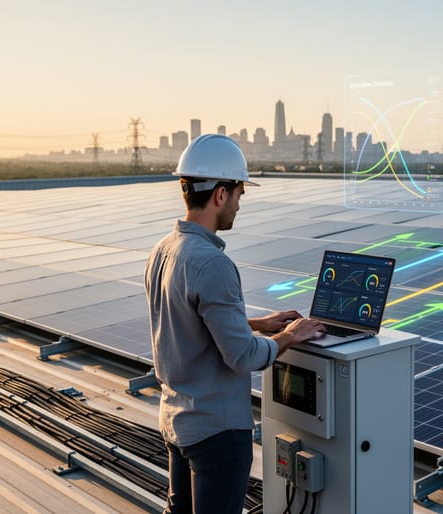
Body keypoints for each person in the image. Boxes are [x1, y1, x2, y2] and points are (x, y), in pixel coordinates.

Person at [145, 134, 324, 513]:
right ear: (220, 194)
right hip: (217, 431)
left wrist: (259, 323)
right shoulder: (212, 263)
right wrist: (289, 337)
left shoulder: (163, 250)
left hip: (176, 422)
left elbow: (188, 320)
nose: (240, 205)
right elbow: (243, 356)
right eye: (240, 193)